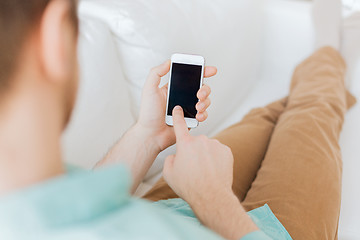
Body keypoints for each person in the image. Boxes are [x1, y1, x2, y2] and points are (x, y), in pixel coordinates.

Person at [0, 0, 356, 240]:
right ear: (55, 38)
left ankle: (311, 83)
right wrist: (213, 201)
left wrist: (147, 135)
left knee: (268, 115)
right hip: (251, 228)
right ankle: (328, 54)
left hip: (171, 203)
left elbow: (72, 206)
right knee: (315, 111)